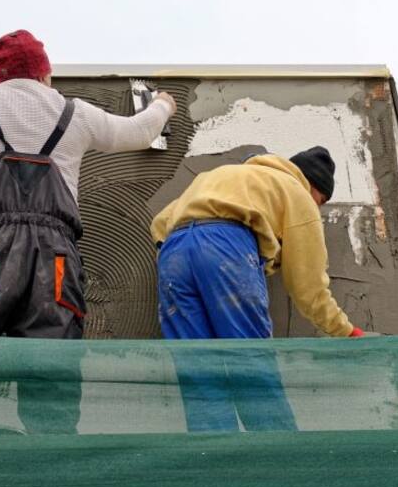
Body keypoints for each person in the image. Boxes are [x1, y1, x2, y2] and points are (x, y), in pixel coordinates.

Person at [0, 29, 175, 434]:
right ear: (46, 74)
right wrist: (163, 107)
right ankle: (50, 479)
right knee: (52, 376)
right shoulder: (76, 113)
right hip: (56, 263)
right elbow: (137, 132)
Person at [150, 147, 363, 431]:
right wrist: (345, 331)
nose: (318, 208)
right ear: (311, 186)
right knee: (250, 363)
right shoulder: (295, 192)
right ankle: (275, 458)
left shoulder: (222, 174)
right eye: (320, 201)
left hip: (173, 254)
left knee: (198, 373)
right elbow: (308, 286)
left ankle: (216, 460)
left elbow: (161, 221)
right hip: (225, 248)